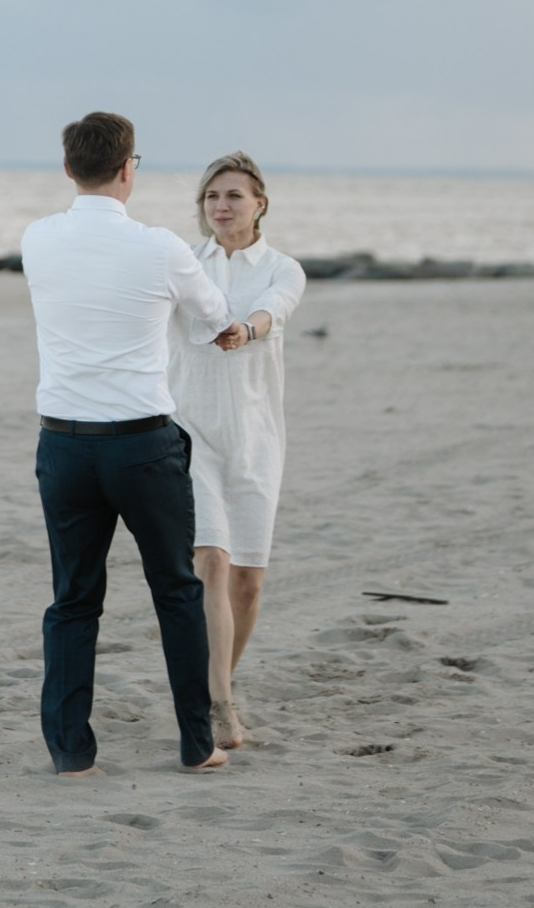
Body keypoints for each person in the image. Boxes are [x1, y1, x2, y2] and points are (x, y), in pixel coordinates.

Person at [20, 110, 237, 777]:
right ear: (127, 169)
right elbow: (216, 318)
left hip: (63, 444)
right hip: (141, 446)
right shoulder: (161, 247)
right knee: (175, 590)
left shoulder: (37, 238)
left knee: (73, 599)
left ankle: (71, 752)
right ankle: (196, 744)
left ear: (68, 168)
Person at [167, 152, 306, 748]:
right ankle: (220, 704)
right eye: (211, 196)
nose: (220, 206)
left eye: (233, 196)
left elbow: (274, 311)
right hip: (189, 430)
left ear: (259, 204)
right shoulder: (181, 262)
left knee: (247, 582)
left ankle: (214, 684)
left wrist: (246, 329)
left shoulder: (282, 268)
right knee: (212, 563)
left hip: (256, 438)